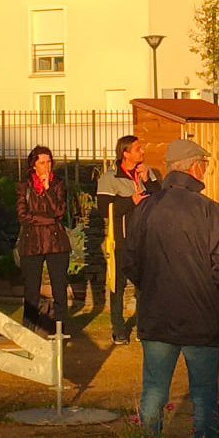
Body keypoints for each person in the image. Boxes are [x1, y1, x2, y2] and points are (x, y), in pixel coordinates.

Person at [125, 138, 219, 438]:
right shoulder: (209, 211)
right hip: (201, 318)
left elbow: (130, 261)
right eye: (204, 164)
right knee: (204, 395)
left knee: (153, 393)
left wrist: (148, 289)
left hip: (156, 316)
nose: (205, 170)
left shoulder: (146, 208)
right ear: (194, 167)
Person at [92, 135, 157, 345]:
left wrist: (148, 180)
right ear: (125, 153)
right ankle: (118, 330)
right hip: (121, 241)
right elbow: (104, 209)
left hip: (145, 242)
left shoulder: (146, 174)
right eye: (138, 149)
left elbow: (162, 200)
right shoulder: (109, 178)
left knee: (145, 287)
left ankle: (145, 327)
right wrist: (131, 201)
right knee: (118, 288)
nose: (143, 152)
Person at [17, 145, 72, 334]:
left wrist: (47, 190)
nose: (46, 166)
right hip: (31, 242)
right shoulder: (23, 185)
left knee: (59, 287)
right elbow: (23, 216)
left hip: (56, 242)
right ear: (34, 165)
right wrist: (48, 220)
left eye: (49, 162)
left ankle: (60, 327)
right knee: (31, 288)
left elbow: (59, 211)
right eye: (42, 162)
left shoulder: (57, 184)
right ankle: (29, 327)